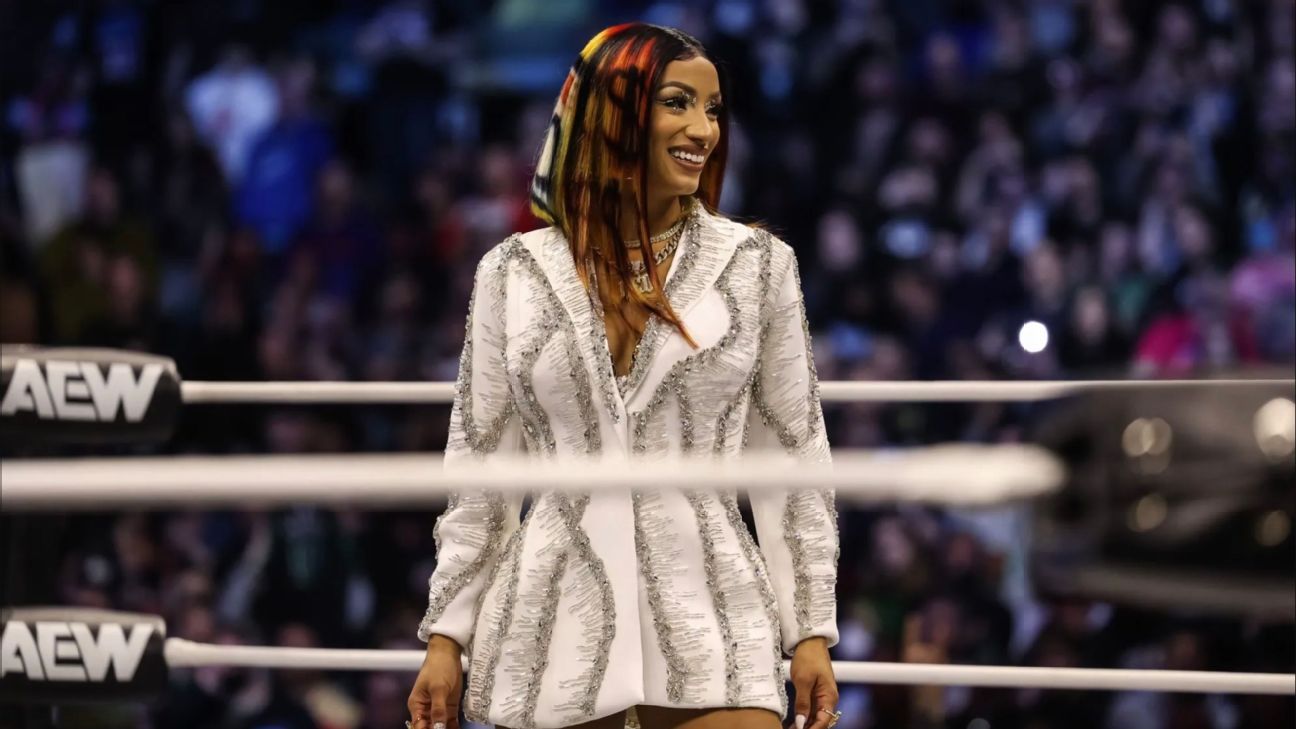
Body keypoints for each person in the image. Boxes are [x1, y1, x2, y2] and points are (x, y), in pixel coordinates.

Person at [407, 23, 840, 729]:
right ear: (613, 113)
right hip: (552, 630)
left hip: (714, 622)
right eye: (677, 103)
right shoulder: (512, 272)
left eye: (713, 109)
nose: (703, 129)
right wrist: (447, 636)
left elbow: (793, 460)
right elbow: (481, 472)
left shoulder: (759, 265)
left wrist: (811, 630)